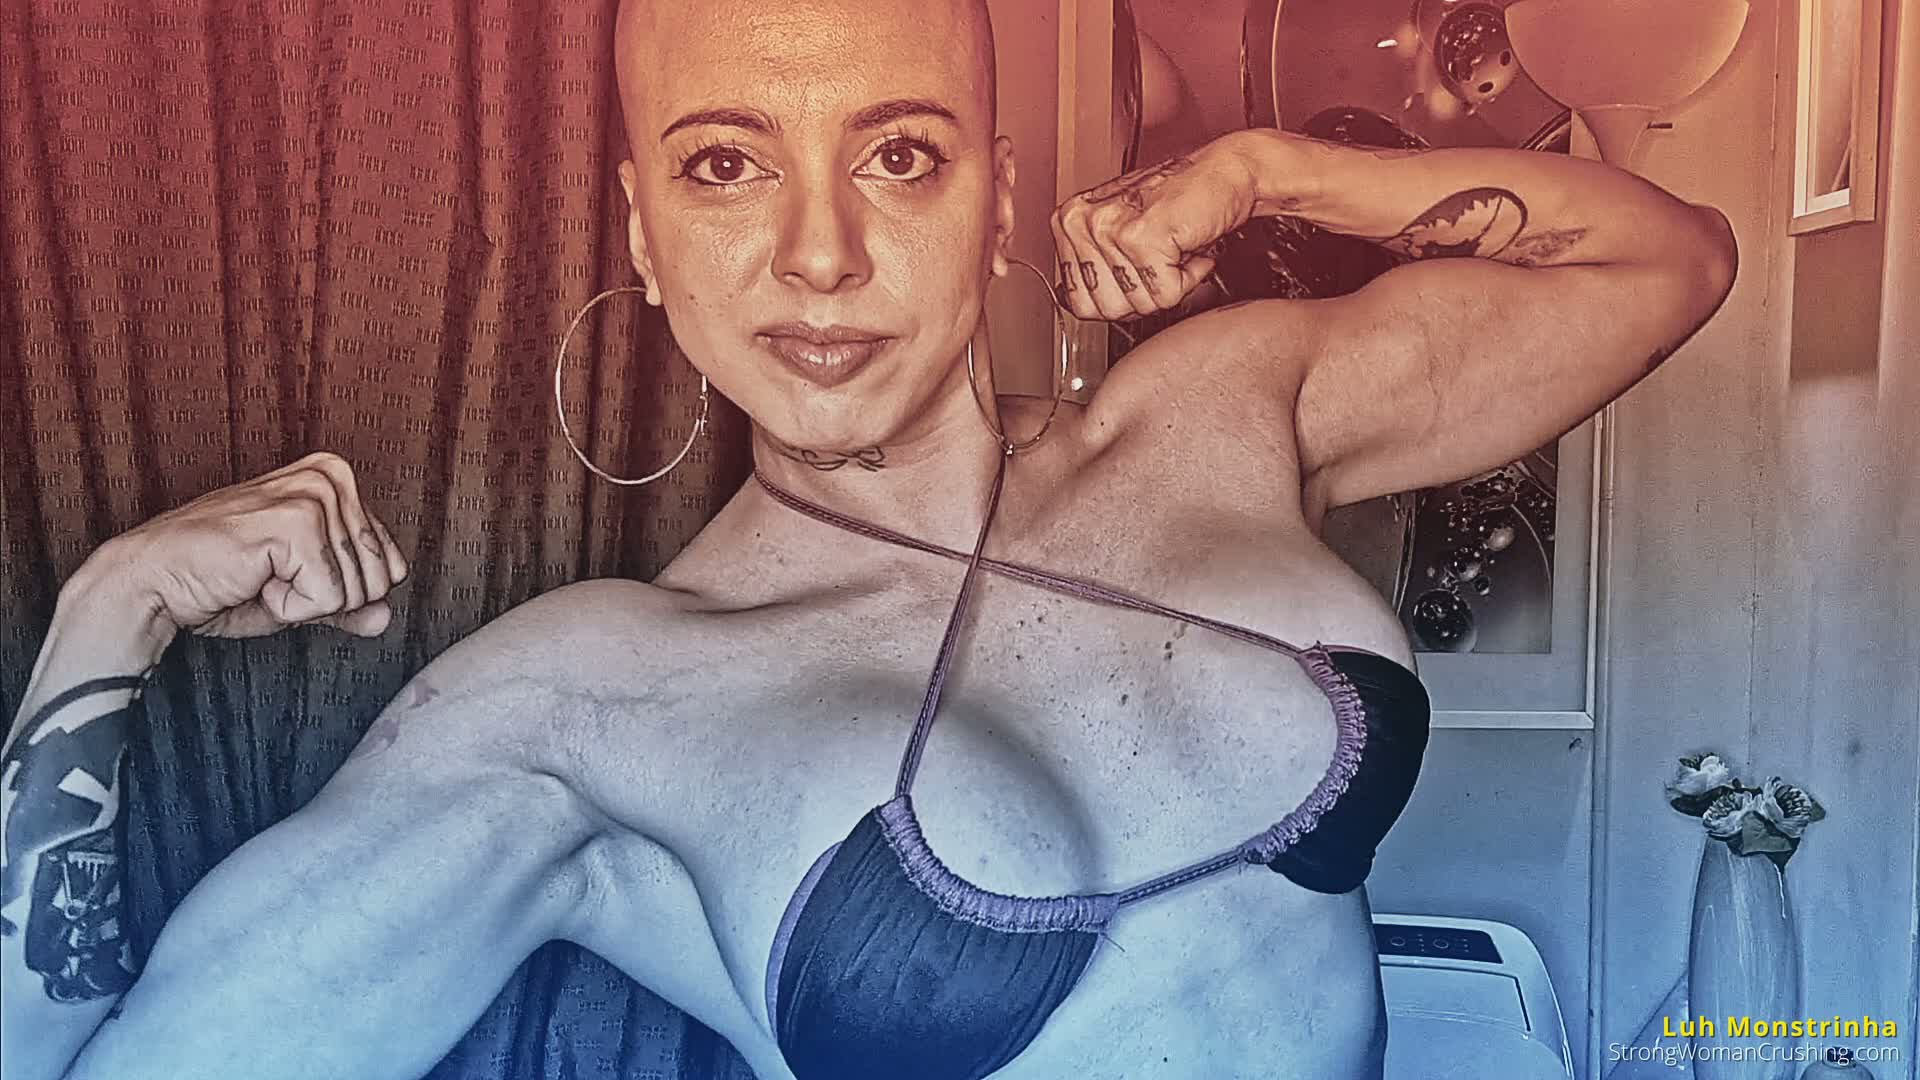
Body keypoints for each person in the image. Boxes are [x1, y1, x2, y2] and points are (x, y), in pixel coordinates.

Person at [0, 0, 1737, 1076]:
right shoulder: (580, 701)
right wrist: (109, 611)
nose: (820, 255)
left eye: (899, 156)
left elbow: (1670, 263)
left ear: (997, 191)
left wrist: (1270, 172)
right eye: (726, 167)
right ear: (646, 237)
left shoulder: (1222, 410)